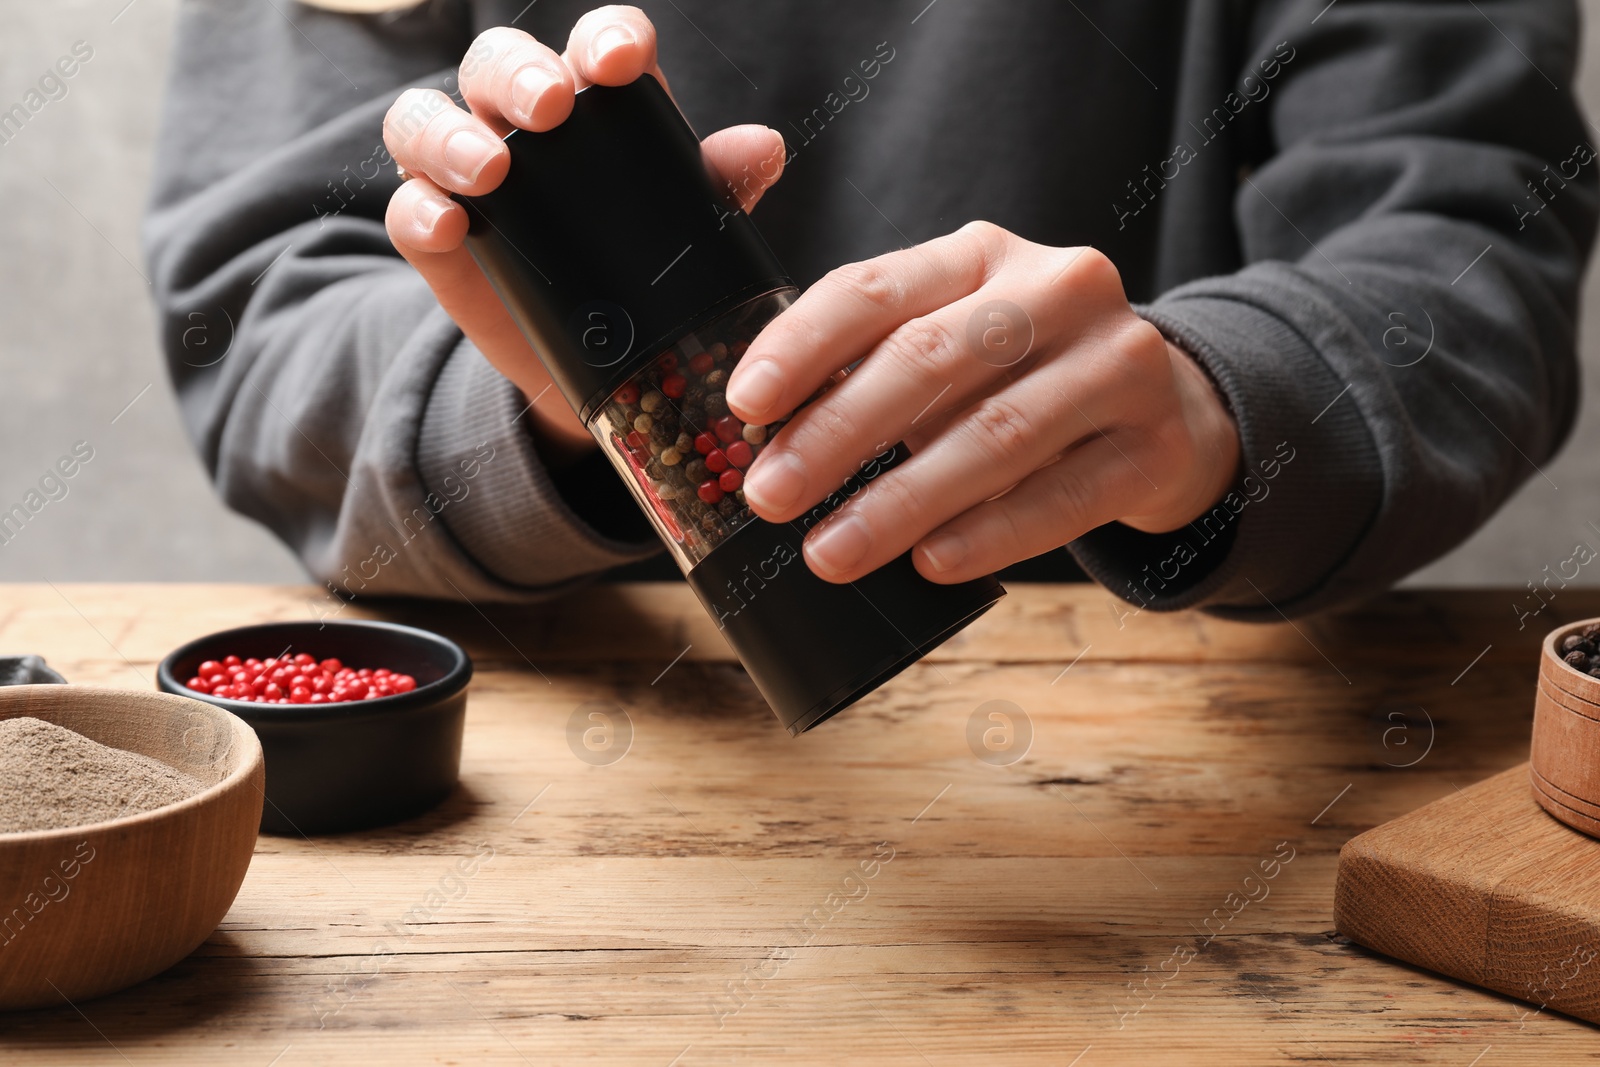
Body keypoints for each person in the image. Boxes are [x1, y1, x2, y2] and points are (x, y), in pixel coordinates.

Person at [145, 0, 1596, 621]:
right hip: (579, 732)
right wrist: (538, 412)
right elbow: (258, 308)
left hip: (1178, 743)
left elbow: (1468, 232)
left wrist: (1227, 397)